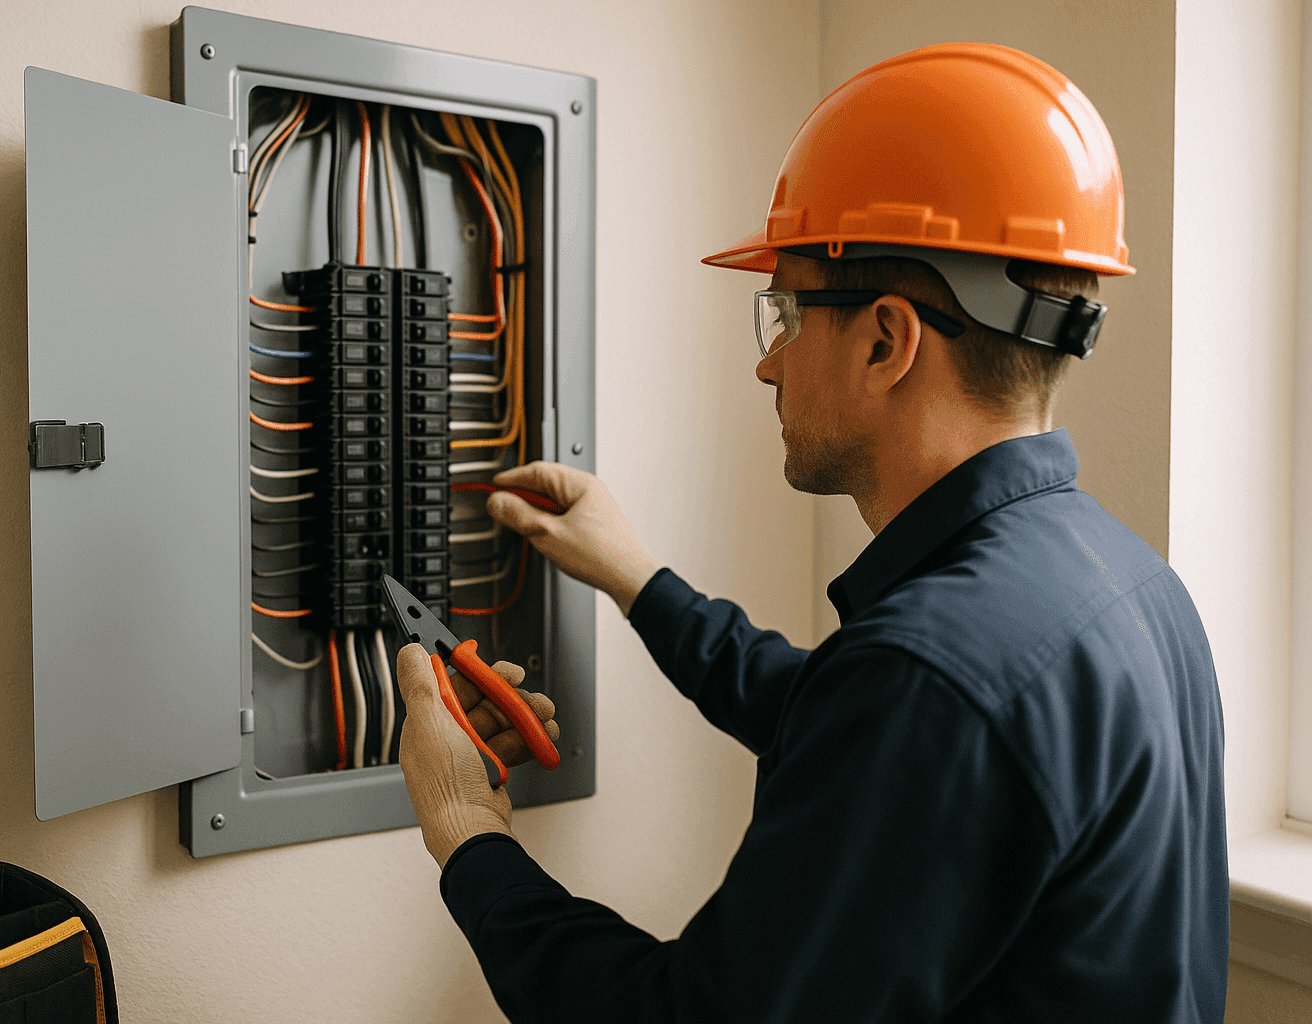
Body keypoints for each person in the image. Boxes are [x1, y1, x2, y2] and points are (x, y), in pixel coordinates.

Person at [393, 42, 1228, 1023]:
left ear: (885, 341)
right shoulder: (1133, 588)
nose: (769, 362)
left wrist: (468, 835)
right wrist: (636, 578)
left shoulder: (930, 677)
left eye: (785, 313)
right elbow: (837, 718)